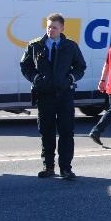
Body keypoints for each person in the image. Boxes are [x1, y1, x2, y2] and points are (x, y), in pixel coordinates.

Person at [20, 13, 86, 179]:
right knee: (46, 132)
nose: (51, 30)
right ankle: (48, 167)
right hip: (44, 95)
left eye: (54, 27)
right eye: (49, 26)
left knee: (66, 132)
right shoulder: (35, 45)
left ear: (62, 28)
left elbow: (80, 66)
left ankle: (66, 169)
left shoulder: (70, 46)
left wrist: (70, 78)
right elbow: (25, 66)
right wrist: (35, 78)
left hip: (64, 95)